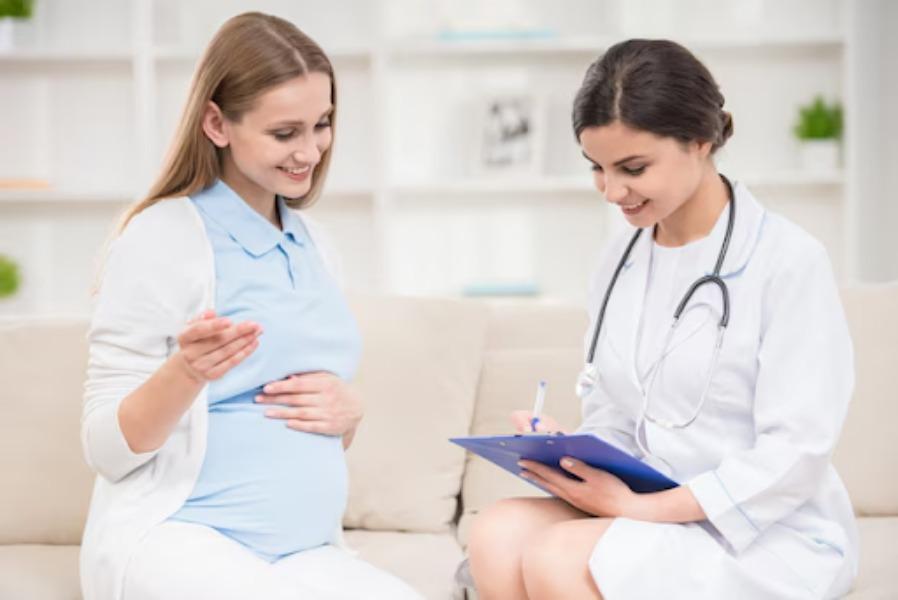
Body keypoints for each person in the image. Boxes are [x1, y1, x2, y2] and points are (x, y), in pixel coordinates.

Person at [467, 39, 857, 600]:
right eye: (597, 168)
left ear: (700, 141)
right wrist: (572, 452)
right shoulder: (619, 262)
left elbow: (795, 456)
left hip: (765, 531)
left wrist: (639, 508)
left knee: (558, 556)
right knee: (497, 534)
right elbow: (616, 413)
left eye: (633, 168)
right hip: (647, 506)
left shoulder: (788, 261)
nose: (611, 192)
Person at [79, 12, 422, 600]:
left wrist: (347, 416)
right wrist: (186, 372)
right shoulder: (162, 236)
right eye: (285, 133)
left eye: (322, 124)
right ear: (217, 123)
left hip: (303, 551)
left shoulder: (315, 244)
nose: (310, 151)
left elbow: (286, 419)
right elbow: (105, 449)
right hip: (179, 537)